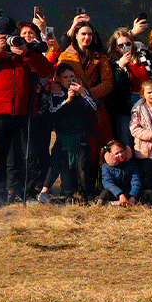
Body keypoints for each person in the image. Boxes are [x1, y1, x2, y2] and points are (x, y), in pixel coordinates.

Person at [0, 15, 55, 206]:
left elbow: (46, 70)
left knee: (17, 157)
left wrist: (26, 53)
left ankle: (14, 191)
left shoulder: (23, 49)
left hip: (21, 110)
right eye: (3, 36)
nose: (8, 39)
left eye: (11, 34)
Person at [59, 21, 115, 195]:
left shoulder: (100, 57)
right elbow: (57, 79)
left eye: (90, 34)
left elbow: (108, 84)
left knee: (96, 147)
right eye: (83, 34)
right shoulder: (66, 56)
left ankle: (98, 185)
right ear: (75, 35)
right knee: (72, 149)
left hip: (95, 107)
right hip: (72, 107)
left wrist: (87, 92)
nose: (87, 37)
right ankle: (71, 187)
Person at [36, 63, 96, 204]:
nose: (69, 80)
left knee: (82, 165)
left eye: (71, 77)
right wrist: (67, 100)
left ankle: (85, 193)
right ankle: (45, 190)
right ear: (60, 79)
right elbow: (53, 113)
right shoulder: (57, 94)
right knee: (56, 162)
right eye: (65, 77)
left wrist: (82, 93)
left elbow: (93, 108)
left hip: (80, 136)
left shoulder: (81, 92)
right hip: (63, 136)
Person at [97, 141, 140, 206]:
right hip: (115, 193)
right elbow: (108, 183)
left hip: (129, 192)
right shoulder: (106, 167)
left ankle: (125, 203)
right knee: (104, 194)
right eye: (117, 153)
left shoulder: (132, 164)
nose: (120, 154)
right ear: (110, 154)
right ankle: (114, 203)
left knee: (143, 194)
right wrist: (120, 194)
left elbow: (136, 181)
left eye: (122, 151)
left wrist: (133, 196)